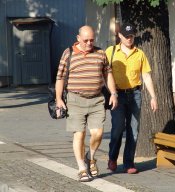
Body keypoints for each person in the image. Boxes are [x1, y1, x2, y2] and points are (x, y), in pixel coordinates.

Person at [55, 25, 118, 182]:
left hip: (97, 100)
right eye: (86, 40)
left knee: (97, 133)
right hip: (75, 99)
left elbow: (108, 74)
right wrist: (59, 99)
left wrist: (114, 93)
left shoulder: (100, 53)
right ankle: (82, 168)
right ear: (78, 38)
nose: (89, 43)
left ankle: (91, 157)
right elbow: (60, 77)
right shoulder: (68, 53)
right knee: (80, 134)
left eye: (92, 40)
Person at [105, 23, 158, 174]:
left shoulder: (139, 54)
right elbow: (103, 72)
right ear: (120, 36)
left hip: (135, 94)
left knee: (133, 130)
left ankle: (129, 162)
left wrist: (153, 97)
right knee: (118, 128)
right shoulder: (111, 52)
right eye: (126, 36)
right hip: (117, 95)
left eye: (132, 36)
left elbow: (146, 75)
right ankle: (113, 157)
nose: (129, 38)